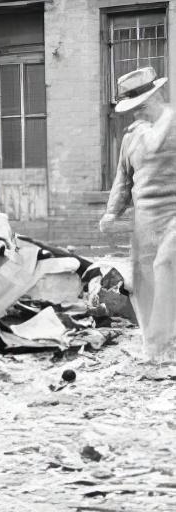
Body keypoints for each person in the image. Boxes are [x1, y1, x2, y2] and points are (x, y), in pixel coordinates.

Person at [99, 66, 176, 365]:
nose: (135, 114)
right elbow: (123, 179)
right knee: (144, 282)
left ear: (157, 97)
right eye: (132, 109)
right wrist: (111, 212)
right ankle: (155, 345)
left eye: (141, 107)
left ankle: (163, 345)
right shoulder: (131, 138)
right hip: (145, 221)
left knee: (166, 265)